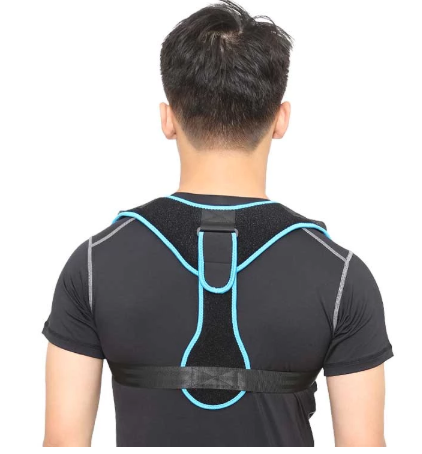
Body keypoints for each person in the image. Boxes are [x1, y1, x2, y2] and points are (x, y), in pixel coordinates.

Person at [42, 0, 393, 447]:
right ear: (281, 119)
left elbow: (63, 443)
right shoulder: (342, 276)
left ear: (167, 119)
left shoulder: (93, 265)